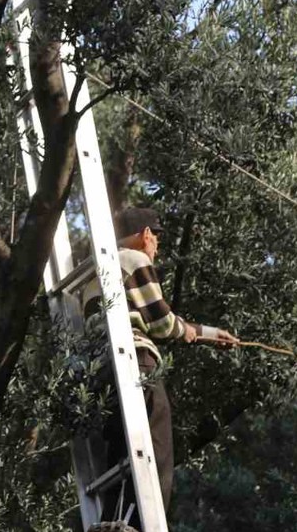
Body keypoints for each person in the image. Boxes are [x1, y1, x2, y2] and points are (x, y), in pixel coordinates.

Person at [81, 207, 238, 513]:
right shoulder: (135, 260)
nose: (157, 249)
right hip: (136, 361)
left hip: (103, 372)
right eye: (156, 241)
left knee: (119, 454)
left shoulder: (94, 274)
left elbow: (149, 315)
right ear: (146, 235)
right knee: (157, 452)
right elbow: (162, 323)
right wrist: (191, 333)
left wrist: (205, 332)